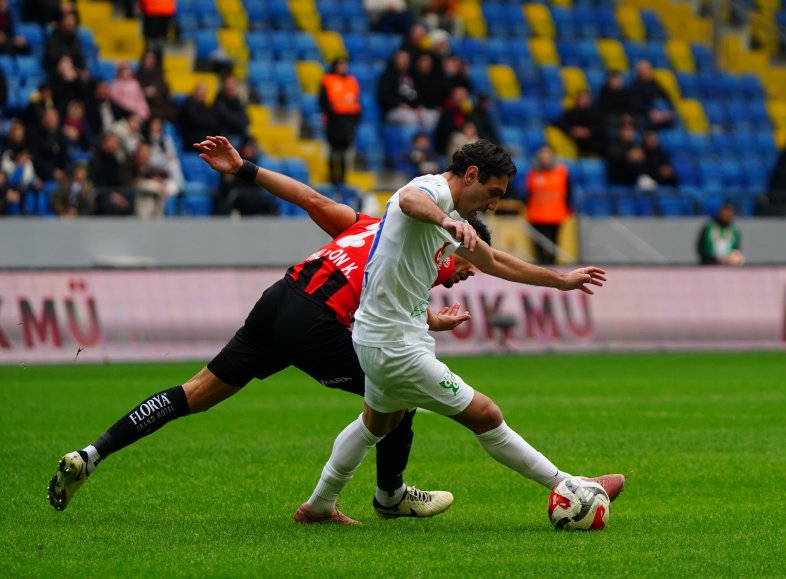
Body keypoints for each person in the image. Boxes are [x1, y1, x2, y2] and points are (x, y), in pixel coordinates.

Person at [48, 136, 487, 517]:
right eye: (465, 265)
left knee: (194, 393)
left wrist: (244, 168)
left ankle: (91, 454)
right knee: (401, 389)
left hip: (281, 298)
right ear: (446, 243)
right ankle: (390, 496)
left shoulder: (366, 226)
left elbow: (309, 200)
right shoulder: (426, 246)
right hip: (315, 320)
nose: (464, 274)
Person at [295, 139, 622, 525]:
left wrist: (560, 280)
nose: (494, 204)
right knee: (485, 413)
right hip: (395, 345)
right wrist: (444, 219)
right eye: (493, 192)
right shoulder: (431, 192)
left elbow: (494, 260)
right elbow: (407, 199)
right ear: (471, 175)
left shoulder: (453, 218)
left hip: (382, 337)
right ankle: (572, 485)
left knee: (376, 424)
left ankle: (318, 506)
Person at [525, 145, 570, 265]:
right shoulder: (533, 172)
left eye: (547, 153)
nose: (544, 156)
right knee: (537, 243)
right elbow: (527, 193)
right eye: (542, 153)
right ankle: (540, 266)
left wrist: (568, 209)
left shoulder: (562, 172)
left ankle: (553, 265)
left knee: (554, 242)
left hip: (556, 214)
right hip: (536, 214)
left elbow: (568, 192)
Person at [320, 58, 361, 183]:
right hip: (334, 122)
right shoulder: (327, 80)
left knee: (345, 153)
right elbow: (323, 102)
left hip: (348, 122)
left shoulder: (352, 81)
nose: (343, 67)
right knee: (333, 152)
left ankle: (343, 179)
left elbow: (356, 102)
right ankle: (332, 178)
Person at [554, 90, 606, 157]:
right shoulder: (571, 112)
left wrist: (588, 131)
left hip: (594, 146)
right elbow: (559, 123)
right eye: (580, 97)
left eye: (584, 97)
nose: (582, 100)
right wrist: (572, 130)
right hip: (575, 144)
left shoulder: (598, 113)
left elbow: (602, 127)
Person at [626, 60, 674, 130]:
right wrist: (650, 112)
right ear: (639, 72)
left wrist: (667, 112)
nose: (646, 72)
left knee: (671, 120)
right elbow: (635, 105)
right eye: (643, 70)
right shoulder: (633, 87)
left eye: (648, 69)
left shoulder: (655, 84)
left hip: (657, 114)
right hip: (642, 116)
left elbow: (666, 97)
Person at [696, 201, 743, 265]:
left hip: (728, 265)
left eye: (729, 214)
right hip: (710, 264)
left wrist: (733, 258)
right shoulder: (709, 227)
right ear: (719, 213)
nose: (726, 216)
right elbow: (700, 248)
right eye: (724, 214)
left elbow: (736, 249)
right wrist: (714, 259)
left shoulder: (734, 230)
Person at [43, 11, 86, 77]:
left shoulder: (75, 38)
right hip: (55, 71)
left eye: (73, 20)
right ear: (61, 21)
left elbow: (79, 57)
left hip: (72, 69)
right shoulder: (53, 38)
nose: (71, 23)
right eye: (68, 20)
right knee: (66, 67)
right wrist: (65, 61)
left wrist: (82, 69)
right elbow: (52, 57)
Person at [213, 74, 250, 144]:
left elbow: (247, 120)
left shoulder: (239, 101)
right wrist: (239, 120)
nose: (231, 86)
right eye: (228, 83)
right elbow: (227, 119)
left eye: (233, 83)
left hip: (240, 136)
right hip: (225, 137)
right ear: (224, 85)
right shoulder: (219, 101)